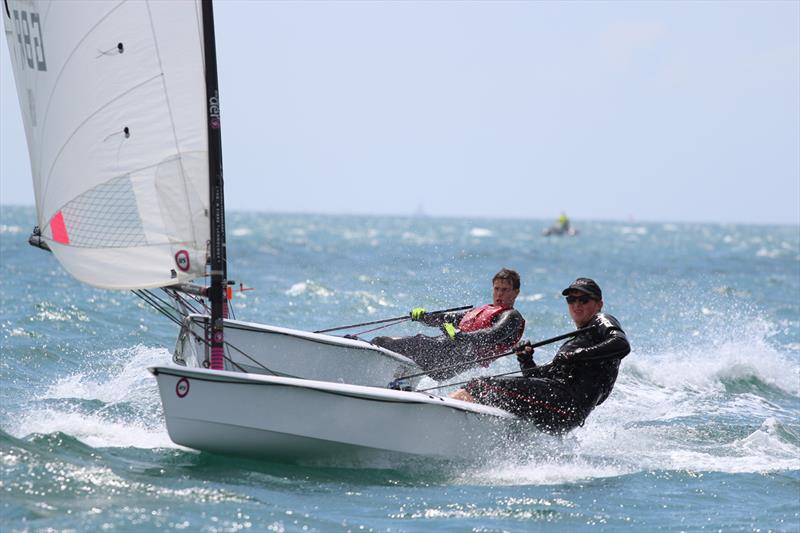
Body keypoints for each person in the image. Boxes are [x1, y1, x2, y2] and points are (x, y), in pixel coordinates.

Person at [450, 277, 630, 433]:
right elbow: (535, 378)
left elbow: (621, 343)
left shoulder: (601, 319)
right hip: (558, 407)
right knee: (488, 390)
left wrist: (576, 354)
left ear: (599, 304)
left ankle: (447, 412)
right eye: (571, 300)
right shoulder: (581, 339)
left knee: (480, 386)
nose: (576, 304)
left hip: (568, 404)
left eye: (583, 299)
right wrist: (526, 359)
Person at [372, 268, 526, 381]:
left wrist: (460, 336)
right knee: (390, 342)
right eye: (497, 289)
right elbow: (446, 318)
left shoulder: (512, 316)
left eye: (505, 290)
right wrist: (424, 316)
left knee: (383, 342)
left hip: (454, 360)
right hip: (442, 353)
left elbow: (492, 335)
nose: (499, 294)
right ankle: (399, 384)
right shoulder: (481, 310)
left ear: (516, 292)